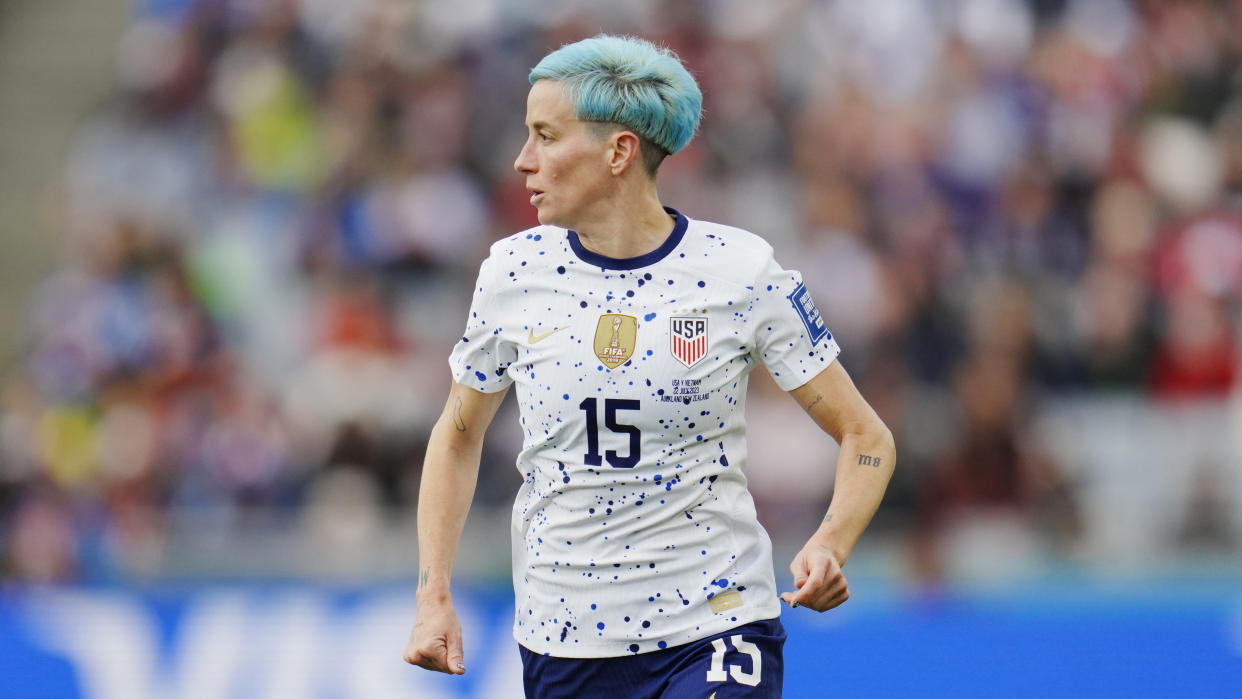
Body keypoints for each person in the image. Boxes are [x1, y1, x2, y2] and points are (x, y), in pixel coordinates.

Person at [403, 34, 895, 698]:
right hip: (565, 638)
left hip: (717, 623)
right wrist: (433, 592)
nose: (522, 161)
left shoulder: (740, 272)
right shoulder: (511, 273)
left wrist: (831, 542)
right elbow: (458, 436)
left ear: (618, 151)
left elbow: (867, 437)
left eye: (546, 136)